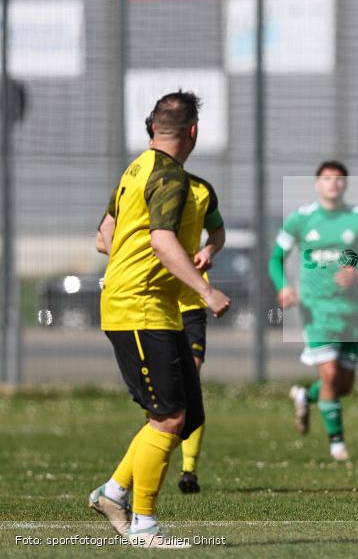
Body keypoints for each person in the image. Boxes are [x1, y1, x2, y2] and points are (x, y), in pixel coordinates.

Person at [88, 91, 231, 548]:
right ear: (193, 131)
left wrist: (134, 260)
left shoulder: (136, 169)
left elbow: (103, 237)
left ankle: (112, 493)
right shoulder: (170, 177)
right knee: (168, 418)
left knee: (184, 417)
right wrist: (205, 290)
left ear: (154, 128)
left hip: (156, 309)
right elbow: (163, 242)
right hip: (138, 309)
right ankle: (144, 526)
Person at [269, 161, 358, 462]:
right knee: (331, 374)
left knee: (343, 385)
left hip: (349, 310)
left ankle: (304, 395)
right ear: (317, 184)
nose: (333, 184)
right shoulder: (301, 219)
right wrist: (283, 287)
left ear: (345, 185)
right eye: (327, 179)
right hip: (315, 309)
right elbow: (275, 259)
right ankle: (337, 445)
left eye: (339, 179)